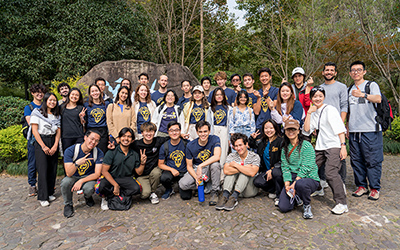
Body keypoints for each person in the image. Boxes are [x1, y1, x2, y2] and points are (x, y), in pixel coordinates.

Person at [303, 87, 348, 214]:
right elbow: (307, 129)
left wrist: (343, 146)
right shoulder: (314, 111)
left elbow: (340, 128)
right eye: (315, 96)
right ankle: (318, 188)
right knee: (311, 167)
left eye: (320, 96)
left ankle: (341, 203)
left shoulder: (330, 109)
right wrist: (309, 113)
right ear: (311, 98)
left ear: (324, 97)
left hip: (333, 145)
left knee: (330, 173)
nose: (317, 98)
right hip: (320, 146)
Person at [347, 60, 383, 200]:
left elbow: (378, 99)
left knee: (372, 159)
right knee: (356, 160)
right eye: (353, 70)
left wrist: (363, 95)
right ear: (350, 73)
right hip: (355, 131)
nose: (356, 72)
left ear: (364, 72)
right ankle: (361, 185)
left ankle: (374, 188)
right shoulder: (349, 89)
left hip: (370, 129)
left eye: (359, 69)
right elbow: (349, 111)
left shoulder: (371, 85)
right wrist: (348, 127)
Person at [278, 119, 319, 219]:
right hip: (293, 175)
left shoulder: (306, 146)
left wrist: (294, 183)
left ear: (298, 131)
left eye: (293, 129)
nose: (291, 132)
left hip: (308, 177)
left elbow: (306, 166)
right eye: (288, 130)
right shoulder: (285, 148)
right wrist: (287, 184)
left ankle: (306, 205)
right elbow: (285, 167)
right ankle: (298, 197)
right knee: (283, 207)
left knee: (301, 184)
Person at [61, 130, 104, 217]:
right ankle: (68, 204)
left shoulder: (98, 153)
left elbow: (97, 174)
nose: (93, 142)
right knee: (65, 182)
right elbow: (68, 173)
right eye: (91, 139)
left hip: (88, 177)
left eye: (96, 141)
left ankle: (88, 197)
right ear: (85, 137)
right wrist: (77, 163)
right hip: (74, 176)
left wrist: (81, 181)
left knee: (89, 188)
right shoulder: (71, 150)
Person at [99, 127, 143, 211]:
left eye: (129, 136)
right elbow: (104, 171)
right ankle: (107, 197)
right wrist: (115, 185)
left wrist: (143, 163)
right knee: (101, 187)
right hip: (111, 178)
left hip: (126, 178)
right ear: (119, 139)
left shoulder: (134, 154)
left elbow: (139, 172)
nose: (126, 139)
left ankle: (117, 194)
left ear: (132, 140)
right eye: (123, 136)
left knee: (137, 188)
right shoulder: (111, 152)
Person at [29, 93, 61, 207]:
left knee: (52, 168)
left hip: (53, 141)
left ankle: (50, 192)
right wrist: (43, 146)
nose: (52, 102)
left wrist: (56, 145)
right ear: (45, 101)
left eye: (54, 100)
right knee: (43, 169)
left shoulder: (56, 115)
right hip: (41, 141)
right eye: (50, 100)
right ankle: (43, 196)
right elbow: (35, 131)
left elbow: (58, 131)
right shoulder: (37, 113)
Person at [179, 121, 221, 205]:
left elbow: (217, 156)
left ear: (209, 131)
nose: (203, 134)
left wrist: (201, 166)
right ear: (197, 132)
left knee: (216, 164)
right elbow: (189, 166)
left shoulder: (215, 139)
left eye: (205, 131)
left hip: (209, 167)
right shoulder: (190, 145)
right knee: (182, 184)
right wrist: (196, 178)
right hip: (196, 168)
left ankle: (215, 191)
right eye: (200, 132)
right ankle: (204, 185)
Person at [320, 62, 348, 185]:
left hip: (337, 127)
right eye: (327, 70)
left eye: (331, 70)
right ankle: (323, 181)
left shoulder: (341, 87)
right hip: (323, 127)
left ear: (335, 73)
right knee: (322, 153)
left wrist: (340, 125)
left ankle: (341, 182)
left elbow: (344, 106)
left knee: (340, 154)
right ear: (323, 72)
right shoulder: (320, 88)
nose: (329, 72)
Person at [215, 133, 260, 211]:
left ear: (246, 144)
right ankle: (226, 195)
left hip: (249, 190)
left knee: (244, 173)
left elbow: (252, 172)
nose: (238, 148)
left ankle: (234, 197)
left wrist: (236, 165)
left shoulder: (254, 156)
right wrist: (245, 167)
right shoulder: (231, 156)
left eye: (240, 145)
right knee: (233, 173)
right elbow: (226, 170)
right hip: (233, 188)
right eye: (236, 146)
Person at [249, 119, 283, 206]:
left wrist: (272, 169)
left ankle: (279, 196)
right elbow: (252, 145)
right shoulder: (263, 141)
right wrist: (252, 138)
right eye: (266, 128)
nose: (269, 130)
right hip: (265, 171)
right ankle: (274, 189)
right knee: (257, 182)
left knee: (276, 173)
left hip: (278, 170)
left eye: (271, 128)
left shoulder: (280, 141)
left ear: (275, 128)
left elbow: (283, 159)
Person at [132, 122, 166, 204]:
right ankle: (148, 190)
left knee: (157, 172)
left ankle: (153, 192)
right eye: (146, 131)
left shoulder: (157, 141)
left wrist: (181, 135)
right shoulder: (136, 144)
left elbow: (170, 137)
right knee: (144, 195)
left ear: (154, 132)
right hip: (141, 174)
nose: (149, 134)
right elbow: (125, 144)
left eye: (151, 131)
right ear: (142, 133)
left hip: (153, 171)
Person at [24, 84, 46, 197]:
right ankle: (32, 184)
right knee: (33, 162)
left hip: (46, 137)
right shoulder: (29, 107)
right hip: (34, 139)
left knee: (46, 162)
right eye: (37, 92)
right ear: (32, 93)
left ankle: (46, 183)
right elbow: (30, 123)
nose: (40, 94)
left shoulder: (46, 104)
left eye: (42, 92)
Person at [158, 122, 188, 200]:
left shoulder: (186, 144)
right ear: (168, 132)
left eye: (176, 130)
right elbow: (160, 164)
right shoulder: (165, 146)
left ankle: (181, 184)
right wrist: (172, 169)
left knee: (186, 197)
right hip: (171, 171)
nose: (174, 132)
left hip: (183, 171)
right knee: (164, 178)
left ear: (180, 131)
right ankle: (169, 189)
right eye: (171, 130)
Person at [209, 87, 231, 178]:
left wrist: (229, 137)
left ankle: (222, 177)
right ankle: (212, 177)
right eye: (217, 95)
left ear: (224, 96)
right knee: (213, 153)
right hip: (214, 130)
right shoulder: (210, 108)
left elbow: (230, 123)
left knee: (223, 153)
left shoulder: (229, 108)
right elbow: (209, 122)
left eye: (220, 95)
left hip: (224, 130)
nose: (219, 97)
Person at [83, 84, 111, 154]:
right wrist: (81, 117)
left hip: (103, 131)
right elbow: (84, 121)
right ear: (90, 93)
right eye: (92, 91)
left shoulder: (106, 104)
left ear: (100, 91)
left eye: (96, 91)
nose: (95, 93)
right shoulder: (86, 105)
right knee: (90, 152)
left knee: (102, 153)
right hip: (91, 131)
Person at [253, 67, 279, 133]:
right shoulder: (257, 93)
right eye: (262, 76)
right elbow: (256, 112)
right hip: (260, 126)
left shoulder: (276, 91)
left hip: (274, 126)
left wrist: (266, 97)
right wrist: (259, 98)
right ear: (259, 78)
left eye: (266, 76)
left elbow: (272, 107)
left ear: (270, 77)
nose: (264, 78)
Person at [60, 87, 86, 154]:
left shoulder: (81, 108)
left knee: (79, 156)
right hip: (66, 137)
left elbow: (84, 123)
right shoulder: (61, 107)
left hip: (79, 136)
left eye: (77, 95)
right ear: (69, 95)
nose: (74, 96)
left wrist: (81, 117)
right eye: (72, 94)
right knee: (67, 156)